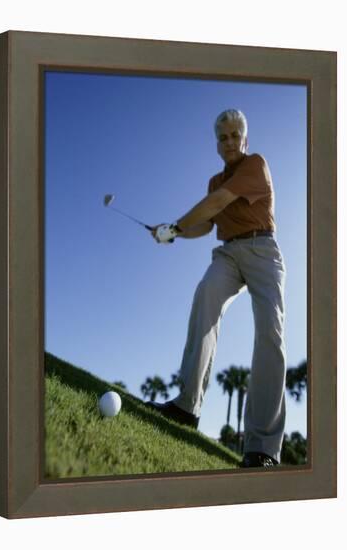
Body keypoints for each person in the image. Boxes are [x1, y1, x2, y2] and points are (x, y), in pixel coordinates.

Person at [147, 109, 287, 468]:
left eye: (235, 135)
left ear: (245, 138)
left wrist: (176, 225)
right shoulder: (214, 180)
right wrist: (174, 233)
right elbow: (205, 226)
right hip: (227, 254)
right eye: (222, 137)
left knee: (269, 333)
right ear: (217, 143)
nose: (229, 142)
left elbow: (218, 203)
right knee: (205, 296)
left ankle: (263, 448)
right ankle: (186, 407)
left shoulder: (255, 164)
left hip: (262, 251)